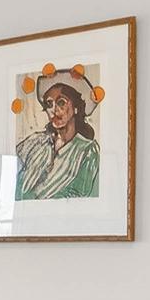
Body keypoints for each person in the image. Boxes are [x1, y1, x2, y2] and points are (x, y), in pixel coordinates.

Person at [15, 66, 101, 200]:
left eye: (61, 102)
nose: (54, 110)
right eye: (49, 104)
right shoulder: (35, 142)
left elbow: (78, 196)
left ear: (77, 108)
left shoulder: (88, 151)